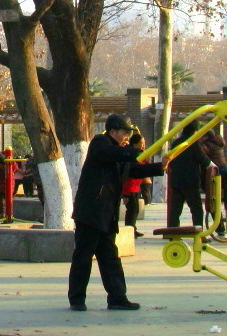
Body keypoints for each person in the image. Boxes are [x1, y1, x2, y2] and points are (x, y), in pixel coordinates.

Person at [68, 113, 167, 312]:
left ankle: (117, 298)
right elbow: (114, 154)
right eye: (124, 132)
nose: (127, 137)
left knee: (110, 258)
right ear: (113, 131)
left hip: (107, 215)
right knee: (83, 257)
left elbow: (134, 170)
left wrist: (160, 166)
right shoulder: (100, 143)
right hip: (91, 213)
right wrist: (135, 151)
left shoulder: (120, 153)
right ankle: (77, 299)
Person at [167, 121, 214, 229]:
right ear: (194, 132)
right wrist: (215, 169)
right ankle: (198, 233)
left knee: (175, 211)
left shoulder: (175, 143)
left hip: (176, 181)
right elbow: (205, 161)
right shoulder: (193, 143)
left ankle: (172, 233)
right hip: (190, 182)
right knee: (196, 210)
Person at [202, 129, 227, 236]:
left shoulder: (207, 145)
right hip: (224, 169)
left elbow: (202, 155)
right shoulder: (218, 143)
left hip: (216, 172)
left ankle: (220, 228)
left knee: (213, 199)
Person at [122, 133, 146, 238]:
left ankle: (133, 229)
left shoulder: (139, 154)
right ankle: (129, 230)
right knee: (132, 210)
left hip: (136, 186)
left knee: (135, 209)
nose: (143, 145)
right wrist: (125, 194)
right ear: (135, 144)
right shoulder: (131, 155)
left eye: (144, 143)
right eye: (141, 143)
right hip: (129, 186)